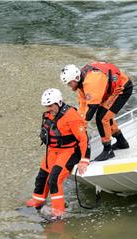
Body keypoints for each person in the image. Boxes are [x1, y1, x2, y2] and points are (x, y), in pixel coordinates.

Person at [26, 88, 90, 219]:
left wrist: (84, 160)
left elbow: (83, 139)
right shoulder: (48, 115)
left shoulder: (71, 116)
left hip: (68, 151)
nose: (48, 108)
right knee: (42, 177)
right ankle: (37, 201)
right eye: (46, 106)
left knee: (54, 179)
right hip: (52, 152)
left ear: (59, 103)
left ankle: (58, 211)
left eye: (50, 106)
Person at [60, 62, 133, 161]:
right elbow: (83, 105)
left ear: (76, 79)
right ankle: (121, 142)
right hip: (110, 91)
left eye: (69, 83)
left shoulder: (90, 82)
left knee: (102, 118)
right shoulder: (81, 83)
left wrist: (82, 125)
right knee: (105, 115)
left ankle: (108, 150)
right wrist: (79, 123)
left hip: (122, 89)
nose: (69, 86)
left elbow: (92, 107)